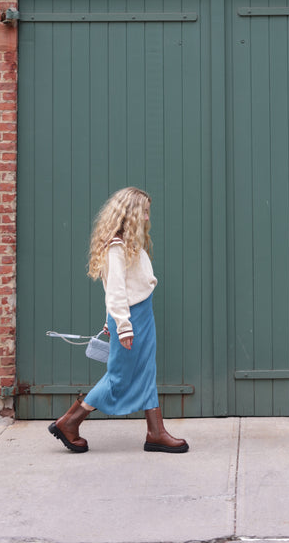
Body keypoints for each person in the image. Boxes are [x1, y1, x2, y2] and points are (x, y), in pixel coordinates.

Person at [48, 186, 188, 454]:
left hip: (141, 315)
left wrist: (112, 320)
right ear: (131, 214)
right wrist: (121, 326)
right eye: (144, 213)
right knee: (118, 377)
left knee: (147, 371)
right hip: (131, 319)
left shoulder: (129, 244)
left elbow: (118, 289)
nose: (147, 218)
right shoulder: (116, 247)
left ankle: (156, 432)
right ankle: (69, 422)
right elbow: (114, 291)